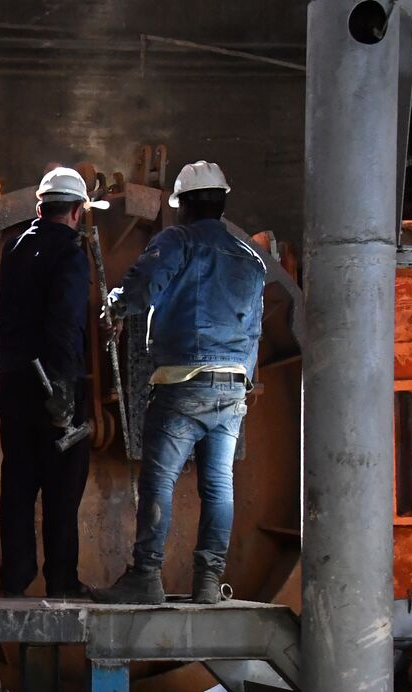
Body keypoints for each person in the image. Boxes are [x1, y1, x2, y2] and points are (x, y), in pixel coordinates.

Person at [93, 160, 266, 605]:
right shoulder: (250, 258)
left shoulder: (179, 241)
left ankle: (146, 576)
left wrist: (115, 307)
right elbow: (256, 329)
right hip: (232, 386)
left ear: (184, 205)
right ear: (222, 201)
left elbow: (145, 283)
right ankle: (208, 582)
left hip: (183, 381)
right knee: (218, 485)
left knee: (159, 480)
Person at [0, 166, 105, 598]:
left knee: (18, 482)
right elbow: (63, 322)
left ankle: (14, 579)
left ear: (40, 207)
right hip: (56, 385)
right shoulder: (71, 256)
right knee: (63, 489)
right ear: (78, 211)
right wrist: (62, 389)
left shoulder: (14, 248)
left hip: (15, 383)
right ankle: (61, 581)